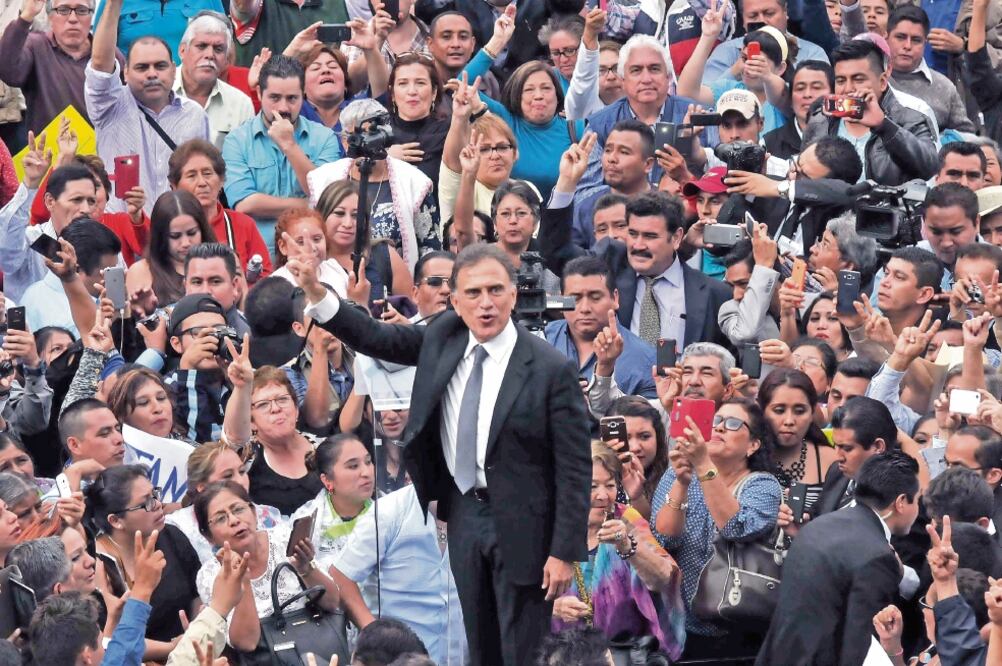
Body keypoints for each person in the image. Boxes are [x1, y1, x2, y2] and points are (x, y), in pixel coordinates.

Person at [289, 242, 591, 666]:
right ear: (454, 299)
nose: (486, 303)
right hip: (465, 512)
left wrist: (563, 552)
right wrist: (320, 298)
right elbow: (379, 338)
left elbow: (575, 467)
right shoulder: (443, 334)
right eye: (473, 293)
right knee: (478, 644)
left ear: (513, 294)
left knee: (523, 651)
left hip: (526, 521)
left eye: (495, 291)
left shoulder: (549, 366)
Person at [758, 450, 920, 665]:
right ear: (900, 502)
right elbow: (857, 646)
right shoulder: (878, 556)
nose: (918, 508)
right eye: (917, 499)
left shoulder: (816, 527)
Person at [652, 398, 782, 659]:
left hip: (737, 627)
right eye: (716, 421)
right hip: (680, 624)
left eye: (733, 424)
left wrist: (702, 465)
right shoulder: (677, 473)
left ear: (753, 445)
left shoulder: (763, 485)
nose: (720, 428)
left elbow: (735, 527)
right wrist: (681, 481)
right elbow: (663, 538)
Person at [552, 441, 683, 657]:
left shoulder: (627, 518)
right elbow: (517, 595)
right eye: (592, 486)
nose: (603, 496)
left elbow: (664, 579)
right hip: (558, 655)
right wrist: (553, 609)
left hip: (621, 655)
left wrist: (627, 546)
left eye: (610, 485)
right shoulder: (547, 527)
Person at [86, 0, 209, 213]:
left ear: (173, 69)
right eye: (142, 67)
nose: (152, 74)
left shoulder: (195, 115)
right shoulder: (109, 106)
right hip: (121, 235)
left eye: (160, 66)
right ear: (125, 73)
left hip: (178, 234)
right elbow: (99, 62)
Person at [194, 480, 342, 653]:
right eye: (220, 518)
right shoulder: (211, 575)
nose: (234, 520)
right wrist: (243, 582)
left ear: (254, 513)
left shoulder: (284, 538)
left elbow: (333, 603)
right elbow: (246, 643)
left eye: (238, 509)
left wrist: (306, 568)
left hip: (318, 647)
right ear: (208, 536)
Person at [460, 10, 585, 199]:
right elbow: (462, 86)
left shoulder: (575, 127)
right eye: (529, 90)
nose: (538, 96)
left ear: (558, 96)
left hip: (560, 221)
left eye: (546, 88)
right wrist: (498, 41)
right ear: (517, 95)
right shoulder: (504, 120)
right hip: (510, 220)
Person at [222, 54, 341, 250]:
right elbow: (245, 204)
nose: (283, 107)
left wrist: (290, 146)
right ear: (260, 93)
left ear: (303, 94)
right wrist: (306, 204)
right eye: (275, 98)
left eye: (292, 98)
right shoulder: (237, 140)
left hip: (310, 250)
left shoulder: (324, 137)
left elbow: (324, 196)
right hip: (259, 252)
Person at [306, 98, 440, 271]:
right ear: (345, 141)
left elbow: (430, 248)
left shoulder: (414, 181)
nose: (366, 142)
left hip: (396, 283)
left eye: (372, 134)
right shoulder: (323, 179)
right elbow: (312, 236)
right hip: (333, 279)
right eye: (357, 135)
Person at [86, 464, 200, 653]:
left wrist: (196, 629)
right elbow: (110, 640)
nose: (157, 504)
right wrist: (172, 648)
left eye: (155, 494)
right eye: (145, 502)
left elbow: (196, 594)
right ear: (115, 520)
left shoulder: (171, 535)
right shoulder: (97, 565)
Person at [801, 38, 939, 186]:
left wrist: (884, 126)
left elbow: (929, 167)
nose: (847, 89)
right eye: (840, 81)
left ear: (882, 82)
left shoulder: (910, 118)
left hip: (887, 208)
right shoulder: (820, 120)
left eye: (858, 79)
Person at [0, 0, 124, 134]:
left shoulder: (108, 55)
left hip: (101, 150)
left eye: (82, 10)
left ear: (91, 17)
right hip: (50, 152)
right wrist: (26, 16)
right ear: (50, 17)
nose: (73, 19)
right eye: (63, 10)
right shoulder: (36, 46)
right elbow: (8, 72)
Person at [546, 256, 657, 400]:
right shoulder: (542, 338)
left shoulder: (646, 359)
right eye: (575, 298)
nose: (585, 308)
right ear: (561, 301)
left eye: (595, 297)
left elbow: (648, 419)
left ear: (615, 298)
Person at [224, 364, 324, 516]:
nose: (276, 408)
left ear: (296, 409)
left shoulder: (323, 448)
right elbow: (233, 436)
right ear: (250, 421)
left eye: (282, 399)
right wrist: (241, 388)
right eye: (263, 404)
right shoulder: (246, 456)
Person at [167, 139, 273, 277]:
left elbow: (264, 277)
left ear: (222, 180)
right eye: (191, 175)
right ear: (174, 186)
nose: (202, 183)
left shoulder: (243, 224)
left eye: (207, 173)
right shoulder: (168, 226)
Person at [166, 440, 283, 564]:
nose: (240, 481)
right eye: (227, 476)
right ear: (202, 486)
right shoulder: (177, 528)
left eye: (242, 472)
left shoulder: (267, 515)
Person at [314, 180, 414, 304]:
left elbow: (414, 316)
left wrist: (399, 320)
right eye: (339, 213)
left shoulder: (384, 255)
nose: (348, 224)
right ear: (321, 215)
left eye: (356, 216)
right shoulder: (310, 259)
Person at [439, 73, 520, 225]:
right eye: (484, 150)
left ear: (515, 153)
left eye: (502, 147)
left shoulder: (527, 189)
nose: (495, 156)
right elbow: (452, 162)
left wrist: (478, 107)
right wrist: (459, 117)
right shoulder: (463, 189)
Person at [21, 217, 120, 336]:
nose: (112, 281)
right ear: (77, 270)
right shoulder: (63, 320)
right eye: (107, 272)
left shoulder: (31, 292)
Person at [887, 6, 975, 134]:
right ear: (886, 37)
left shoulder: (944, 88)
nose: (907, 46)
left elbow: (965, 138)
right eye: (900, 37)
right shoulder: (870, 79)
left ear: (925, 43)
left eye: (916, 40)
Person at [569, 119, 655, 249]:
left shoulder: (664, 207)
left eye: (624, 152)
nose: (612, 159)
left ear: (647, 164)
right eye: (608, 150)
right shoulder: (586, 207)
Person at [290, 433, 374, 565]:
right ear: (327, 480)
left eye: (368, 462)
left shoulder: (390, 511)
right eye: (353, 466)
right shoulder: (305, 522)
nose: (367, 473)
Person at [173, 12, 255, 148]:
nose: (210, 55)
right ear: (182, 51)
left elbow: (244, 163)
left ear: (226, 59)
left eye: (218, 49)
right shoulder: (159, 93)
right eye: (201, 46)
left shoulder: (240, 104)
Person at [758, 369, 838, 507]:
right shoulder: (745, 454)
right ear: (762, 410)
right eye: (779, 410)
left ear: (812, 412)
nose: (789, 420)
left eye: (800, 411)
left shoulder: (831, 460)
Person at [127, 190, 217, 307]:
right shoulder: (141, 271)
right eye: (175, 236)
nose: (185, 243)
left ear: (203, 230)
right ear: (161, 236)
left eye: (192, 233)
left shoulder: (222, 261)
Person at [813, 396, 898, 516]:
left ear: (878, 447)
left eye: (847, 448)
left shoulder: (896, 499)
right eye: (835, 445)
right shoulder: (836, 472)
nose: (838, 457)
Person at [718, 232, 781, 346]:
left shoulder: (804, 304)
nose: (736, 295)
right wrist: (763, 266)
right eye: (731, 286)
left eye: (743, 284)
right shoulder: (730, 310)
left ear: (771, 275)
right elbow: (745, 335)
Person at [763, 61, 833, 160]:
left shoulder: (846, 135)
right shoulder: (769, 143)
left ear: (833, 94)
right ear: (790, 99)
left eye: (816, 87)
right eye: (800, 88)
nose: (807, 94)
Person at [58, 397, 125, 469]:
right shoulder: (68, 480)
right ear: (75, 445)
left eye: (118, 429)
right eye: (105, 433)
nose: (120, 439)